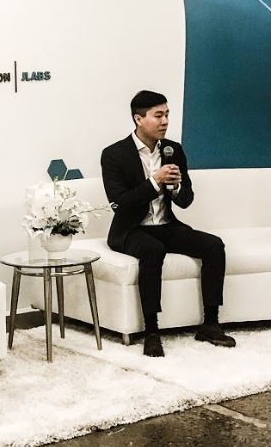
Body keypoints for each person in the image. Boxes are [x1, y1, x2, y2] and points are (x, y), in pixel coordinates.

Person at [100, 90, 236, 357]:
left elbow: (186, 200)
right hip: (130, 229)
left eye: (167, 115)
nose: (164, 121)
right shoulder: (114, 154)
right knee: (152, 250)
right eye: (157, 115)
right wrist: (155, 182)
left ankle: (210, 322)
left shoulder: (174, 150)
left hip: (166, 225)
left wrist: (174, 188)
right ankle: (152, 331)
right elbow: (120, 202)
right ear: (139, 119)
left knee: (213, 245)